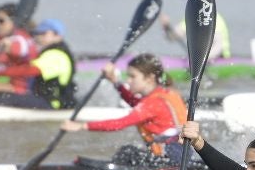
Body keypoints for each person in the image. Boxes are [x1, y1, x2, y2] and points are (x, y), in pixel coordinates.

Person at [59, 53, 187, 164]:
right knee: (130, 153)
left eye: (133, 76)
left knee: (127, 153)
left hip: (170, 160)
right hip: (180, 156)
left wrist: (81, 126)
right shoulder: (165, 94)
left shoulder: (153, 103)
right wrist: (115, 82)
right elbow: (135, 102)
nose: (128, 80)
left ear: (149, 78)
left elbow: (119, 123)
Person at [158, 0, 231, 60]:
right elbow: (172, 37)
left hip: (220, 57)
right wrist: (166, 27)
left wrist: (202, 61)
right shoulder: (191, 18)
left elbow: (218, 45)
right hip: (201, 60)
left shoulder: (214, 18)